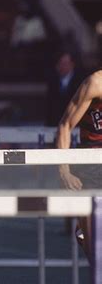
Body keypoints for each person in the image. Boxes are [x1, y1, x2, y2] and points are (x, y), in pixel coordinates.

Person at [56, 69, 102, 266]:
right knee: (96, 255)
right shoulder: (95, 84)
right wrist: (63, 170)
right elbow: (65, 125)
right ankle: (85, 232)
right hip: (90, 165)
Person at [46, 51, 85, 126]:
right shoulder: (53, 81)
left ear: (72, 65)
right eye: (60, 63)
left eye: (65, 63)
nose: (62, 66)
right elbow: (50, 106)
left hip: (74, 123)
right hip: (56, 124)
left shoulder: (80, 81)